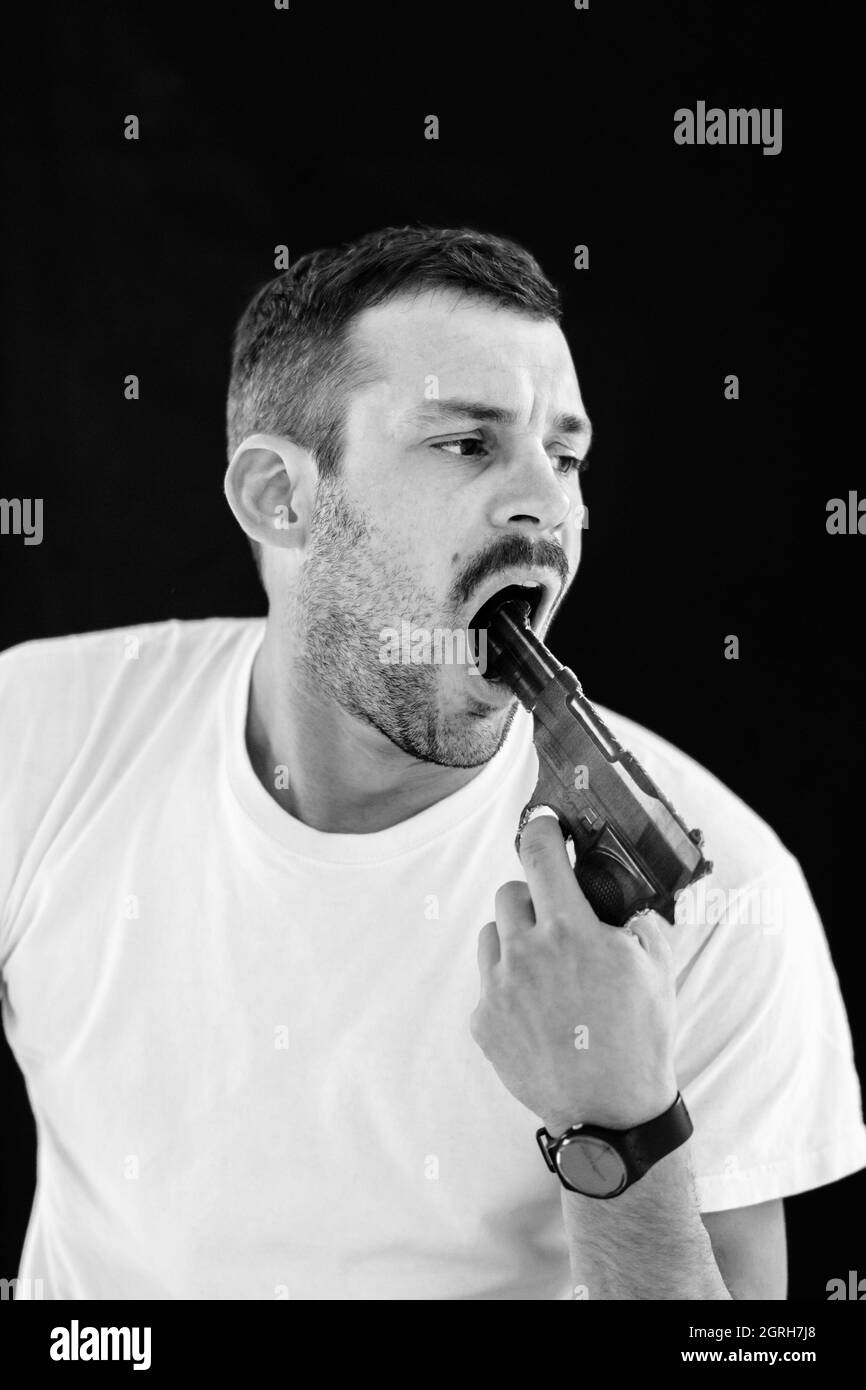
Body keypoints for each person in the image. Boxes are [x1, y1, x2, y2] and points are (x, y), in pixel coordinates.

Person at [2, 226, 864, 1301]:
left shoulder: (716, 894)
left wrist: (618, 1124)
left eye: (564, 455)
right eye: (465, 443)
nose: (548, 504)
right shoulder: (34, 739)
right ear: (279, 497)